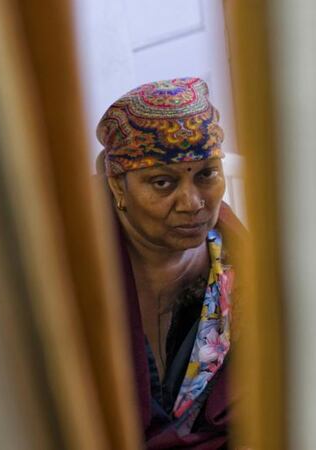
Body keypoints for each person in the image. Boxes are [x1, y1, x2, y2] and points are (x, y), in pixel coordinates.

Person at [96, 77, 244, 449]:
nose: (192, 203)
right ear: (117, 185)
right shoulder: (81, 265)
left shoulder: (234, 262)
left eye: (207, 174)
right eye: (163, 183)